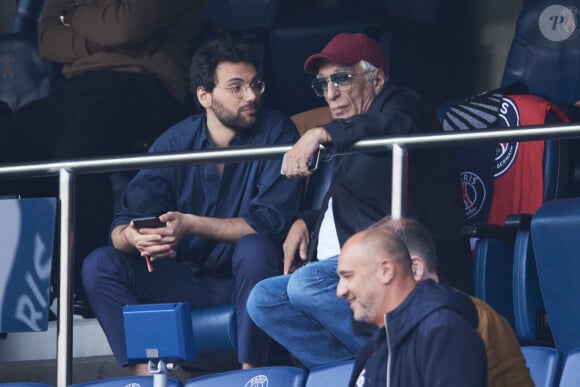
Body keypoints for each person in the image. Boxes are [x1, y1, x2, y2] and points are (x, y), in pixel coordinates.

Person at [247, 32, 469, 368]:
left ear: (377, 78)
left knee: (306, 285)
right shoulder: (350, 128)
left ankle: (400, 361)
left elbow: (395, 125)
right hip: (347, 267)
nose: (330, 93)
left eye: (341, 79)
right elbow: (348, 197)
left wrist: (321, 133)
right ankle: (360, 370)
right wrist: (305, 221)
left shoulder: (403, 105)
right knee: (263, 299)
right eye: (323, 84)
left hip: (403, 262)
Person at [81, 38, 303, 373]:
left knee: (255, 247)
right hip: (188, 282)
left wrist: (190, 224)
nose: (252, 95)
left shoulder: (277, 131)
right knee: (99, 264)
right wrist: (134, 238)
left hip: (251, 278)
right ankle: (149, 379)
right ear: (204, 96)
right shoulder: (175, 143)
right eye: (236, 87)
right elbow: (122, 223)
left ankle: (252, 375)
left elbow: (269, 223)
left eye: (255, 84)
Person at [0, 0, 206, 312]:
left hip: (147, 85)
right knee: (11, 146)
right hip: (78, 87)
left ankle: (85, 287)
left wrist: (73, 16)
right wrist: (99, 37)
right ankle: (29, 295)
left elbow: (128, 27)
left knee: (78, 153)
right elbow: (47, 40)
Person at [372, 217, 534, 387]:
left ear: (415, 269)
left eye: (381, 271)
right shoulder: (398, 323)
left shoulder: (456, 322)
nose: (344, 290)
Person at [337, 227, 487, 387]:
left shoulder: (442, 330)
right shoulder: (375, 347)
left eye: (348, 276)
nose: (340, 291)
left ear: (386, 271)